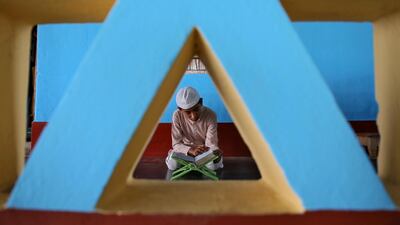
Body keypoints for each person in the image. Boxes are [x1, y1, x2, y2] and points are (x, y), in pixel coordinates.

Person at [165, 86, 223, 172]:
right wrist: (189, 150)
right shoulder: (177, 115)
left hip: (203, 153)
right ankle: (174, 157)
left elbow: (211, 143)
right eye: (188, 112)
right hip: (185, 152)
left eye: (196, 109)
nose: (193, 116)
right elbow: (176, 143)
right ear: (180, 109)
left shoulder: (211, 115)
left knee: (212, 166)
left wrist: (214, 152)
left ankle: (194, 163)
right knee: (173, 164)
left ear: (201, 102)